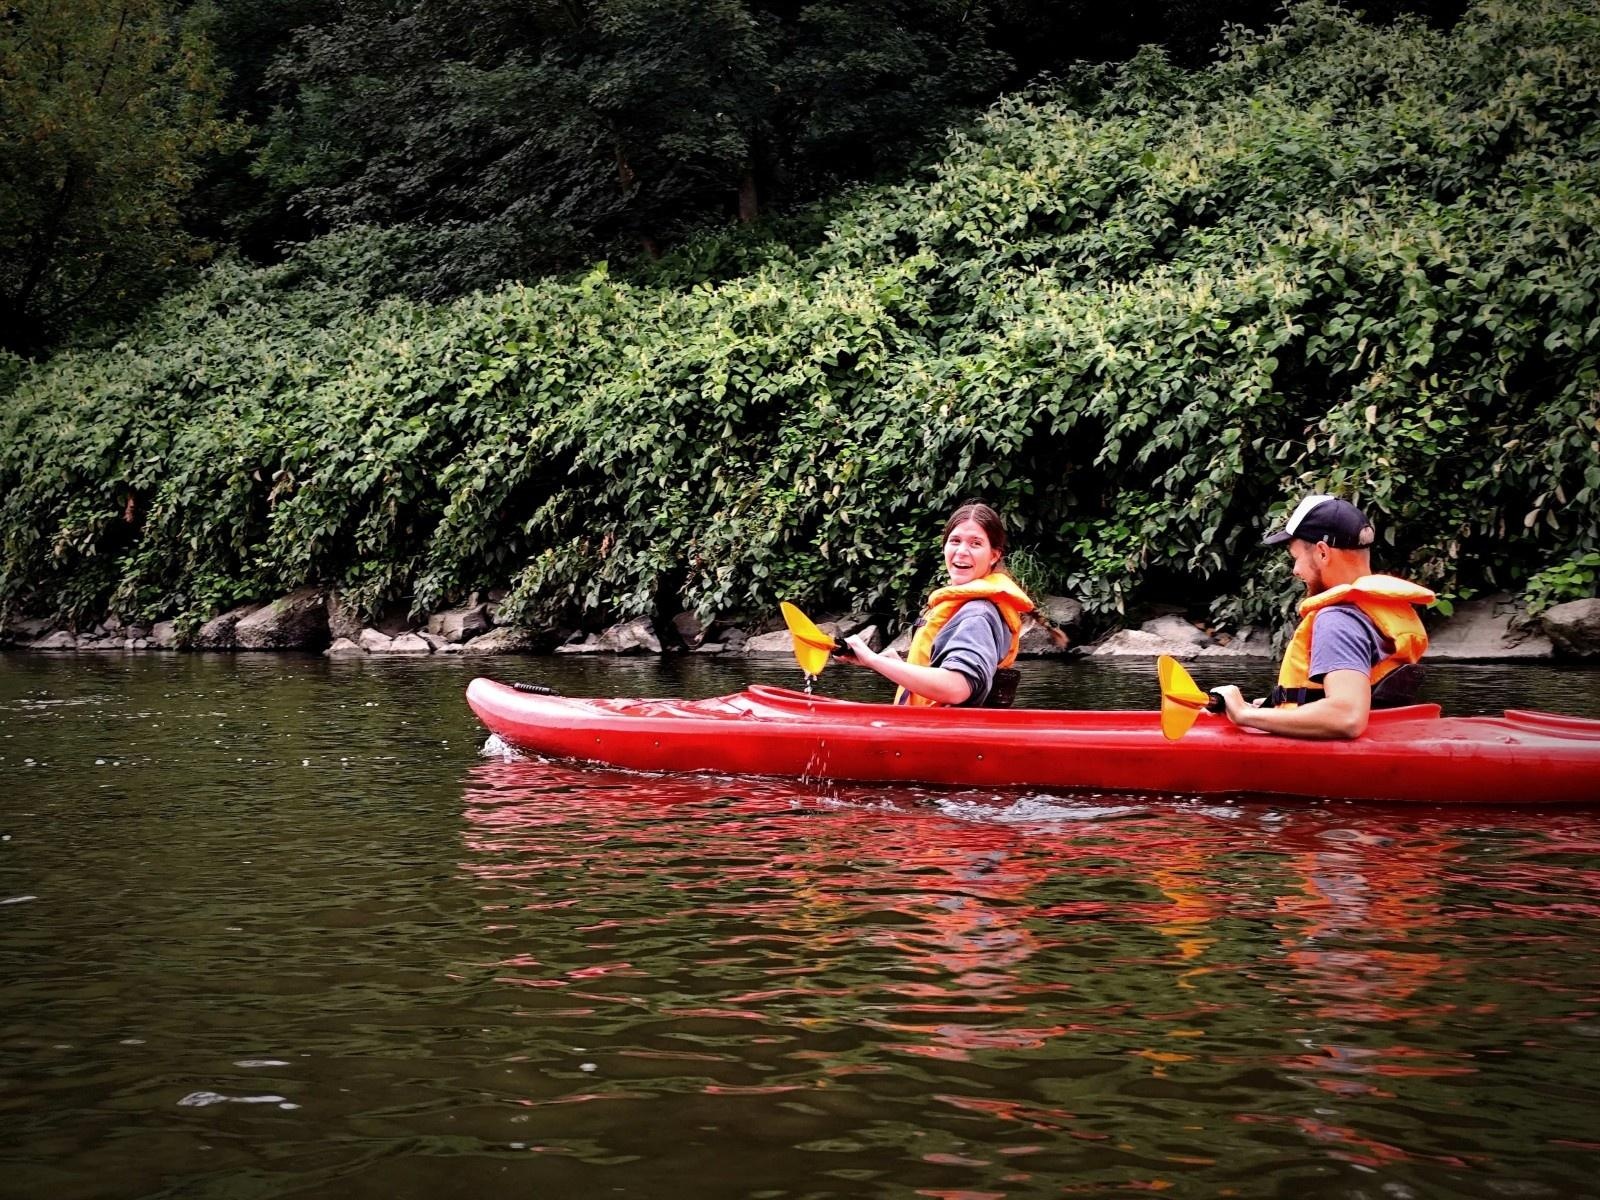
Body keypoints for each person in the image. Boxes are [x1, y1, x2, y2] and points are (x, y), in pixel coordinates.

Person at [1212, 494, 1435, 740]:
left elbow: (1347, 717)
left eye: (1296, 557)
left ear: (1322, 552)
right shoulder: (1377, 611)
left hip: (1339, 761)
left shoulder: (1338, 620)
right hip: (1383, 740)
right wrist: (1276, 711)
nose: (1295, 570)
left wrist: (1244, 714)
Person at [842, 501, 1034, 707]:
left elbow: (958, 688)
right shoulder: (965, 607)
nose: (962, 551)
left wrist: (874, 660)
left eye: (975, 543)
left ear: (994, 555)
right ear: (944, 547)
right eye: (955, 541)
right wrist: (891, 665)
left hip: (947, 735)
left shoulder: (978, 614)